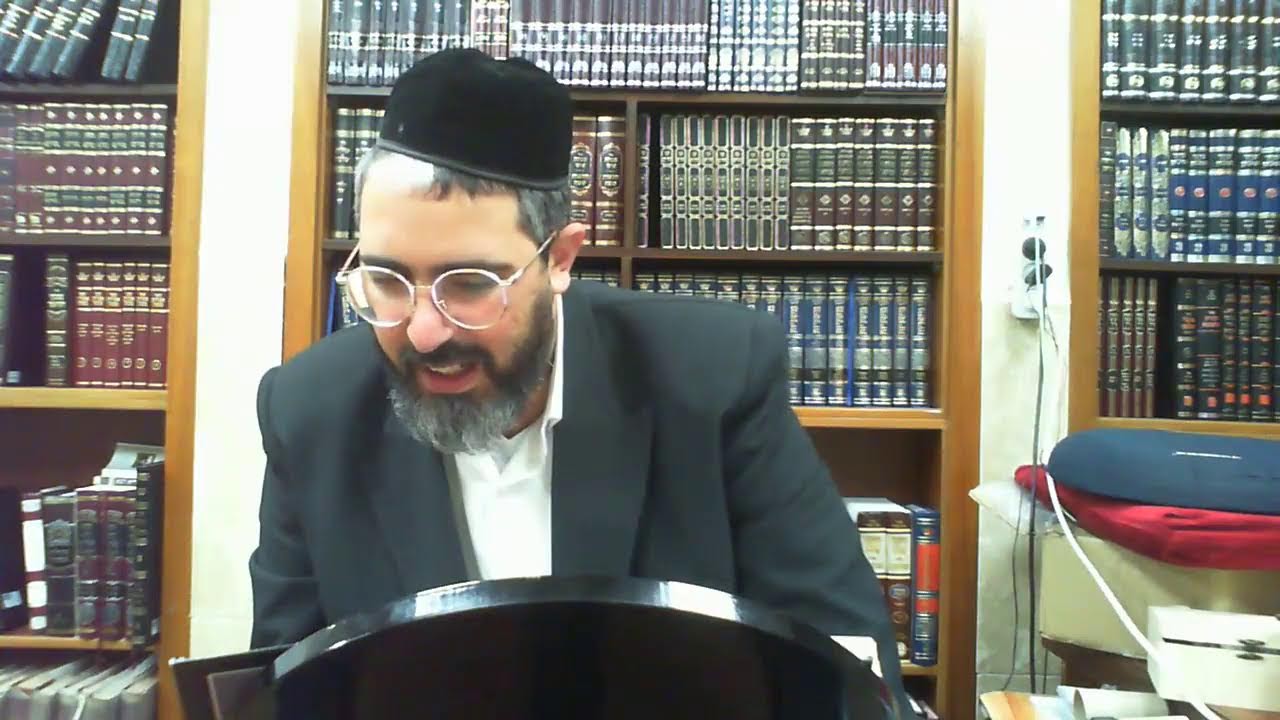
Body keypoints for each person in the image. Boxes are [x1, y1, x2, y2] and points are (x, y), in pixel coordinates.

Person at [248, 47, 912, 716]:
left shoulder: (713, 378)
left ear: (560, 258)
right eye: (387, 280)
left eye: (470, 285)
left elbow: (845, 667)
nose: (423, 332)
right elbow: (288, 691)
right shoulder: (308, 412)